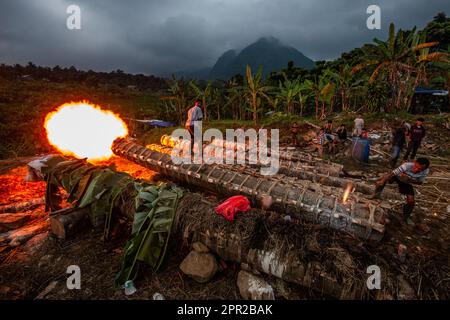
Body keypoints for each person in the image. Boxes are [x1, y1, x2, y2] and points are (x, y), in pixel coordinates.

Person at [371, 158, 430, 225]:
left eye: (421, 169)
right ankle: (376, 195)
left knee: (411, 201)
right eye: (416, 167)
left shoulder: (425, 171)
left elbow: (420, 182)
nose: (417, 170)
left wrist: (410, 180)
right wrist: (382, 181)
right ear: (415, 163)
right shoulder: (407, 165)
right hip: (397, 177)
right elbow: (393, 173)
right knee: (385, 177)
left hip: (406, 182)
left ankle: (405, 218)